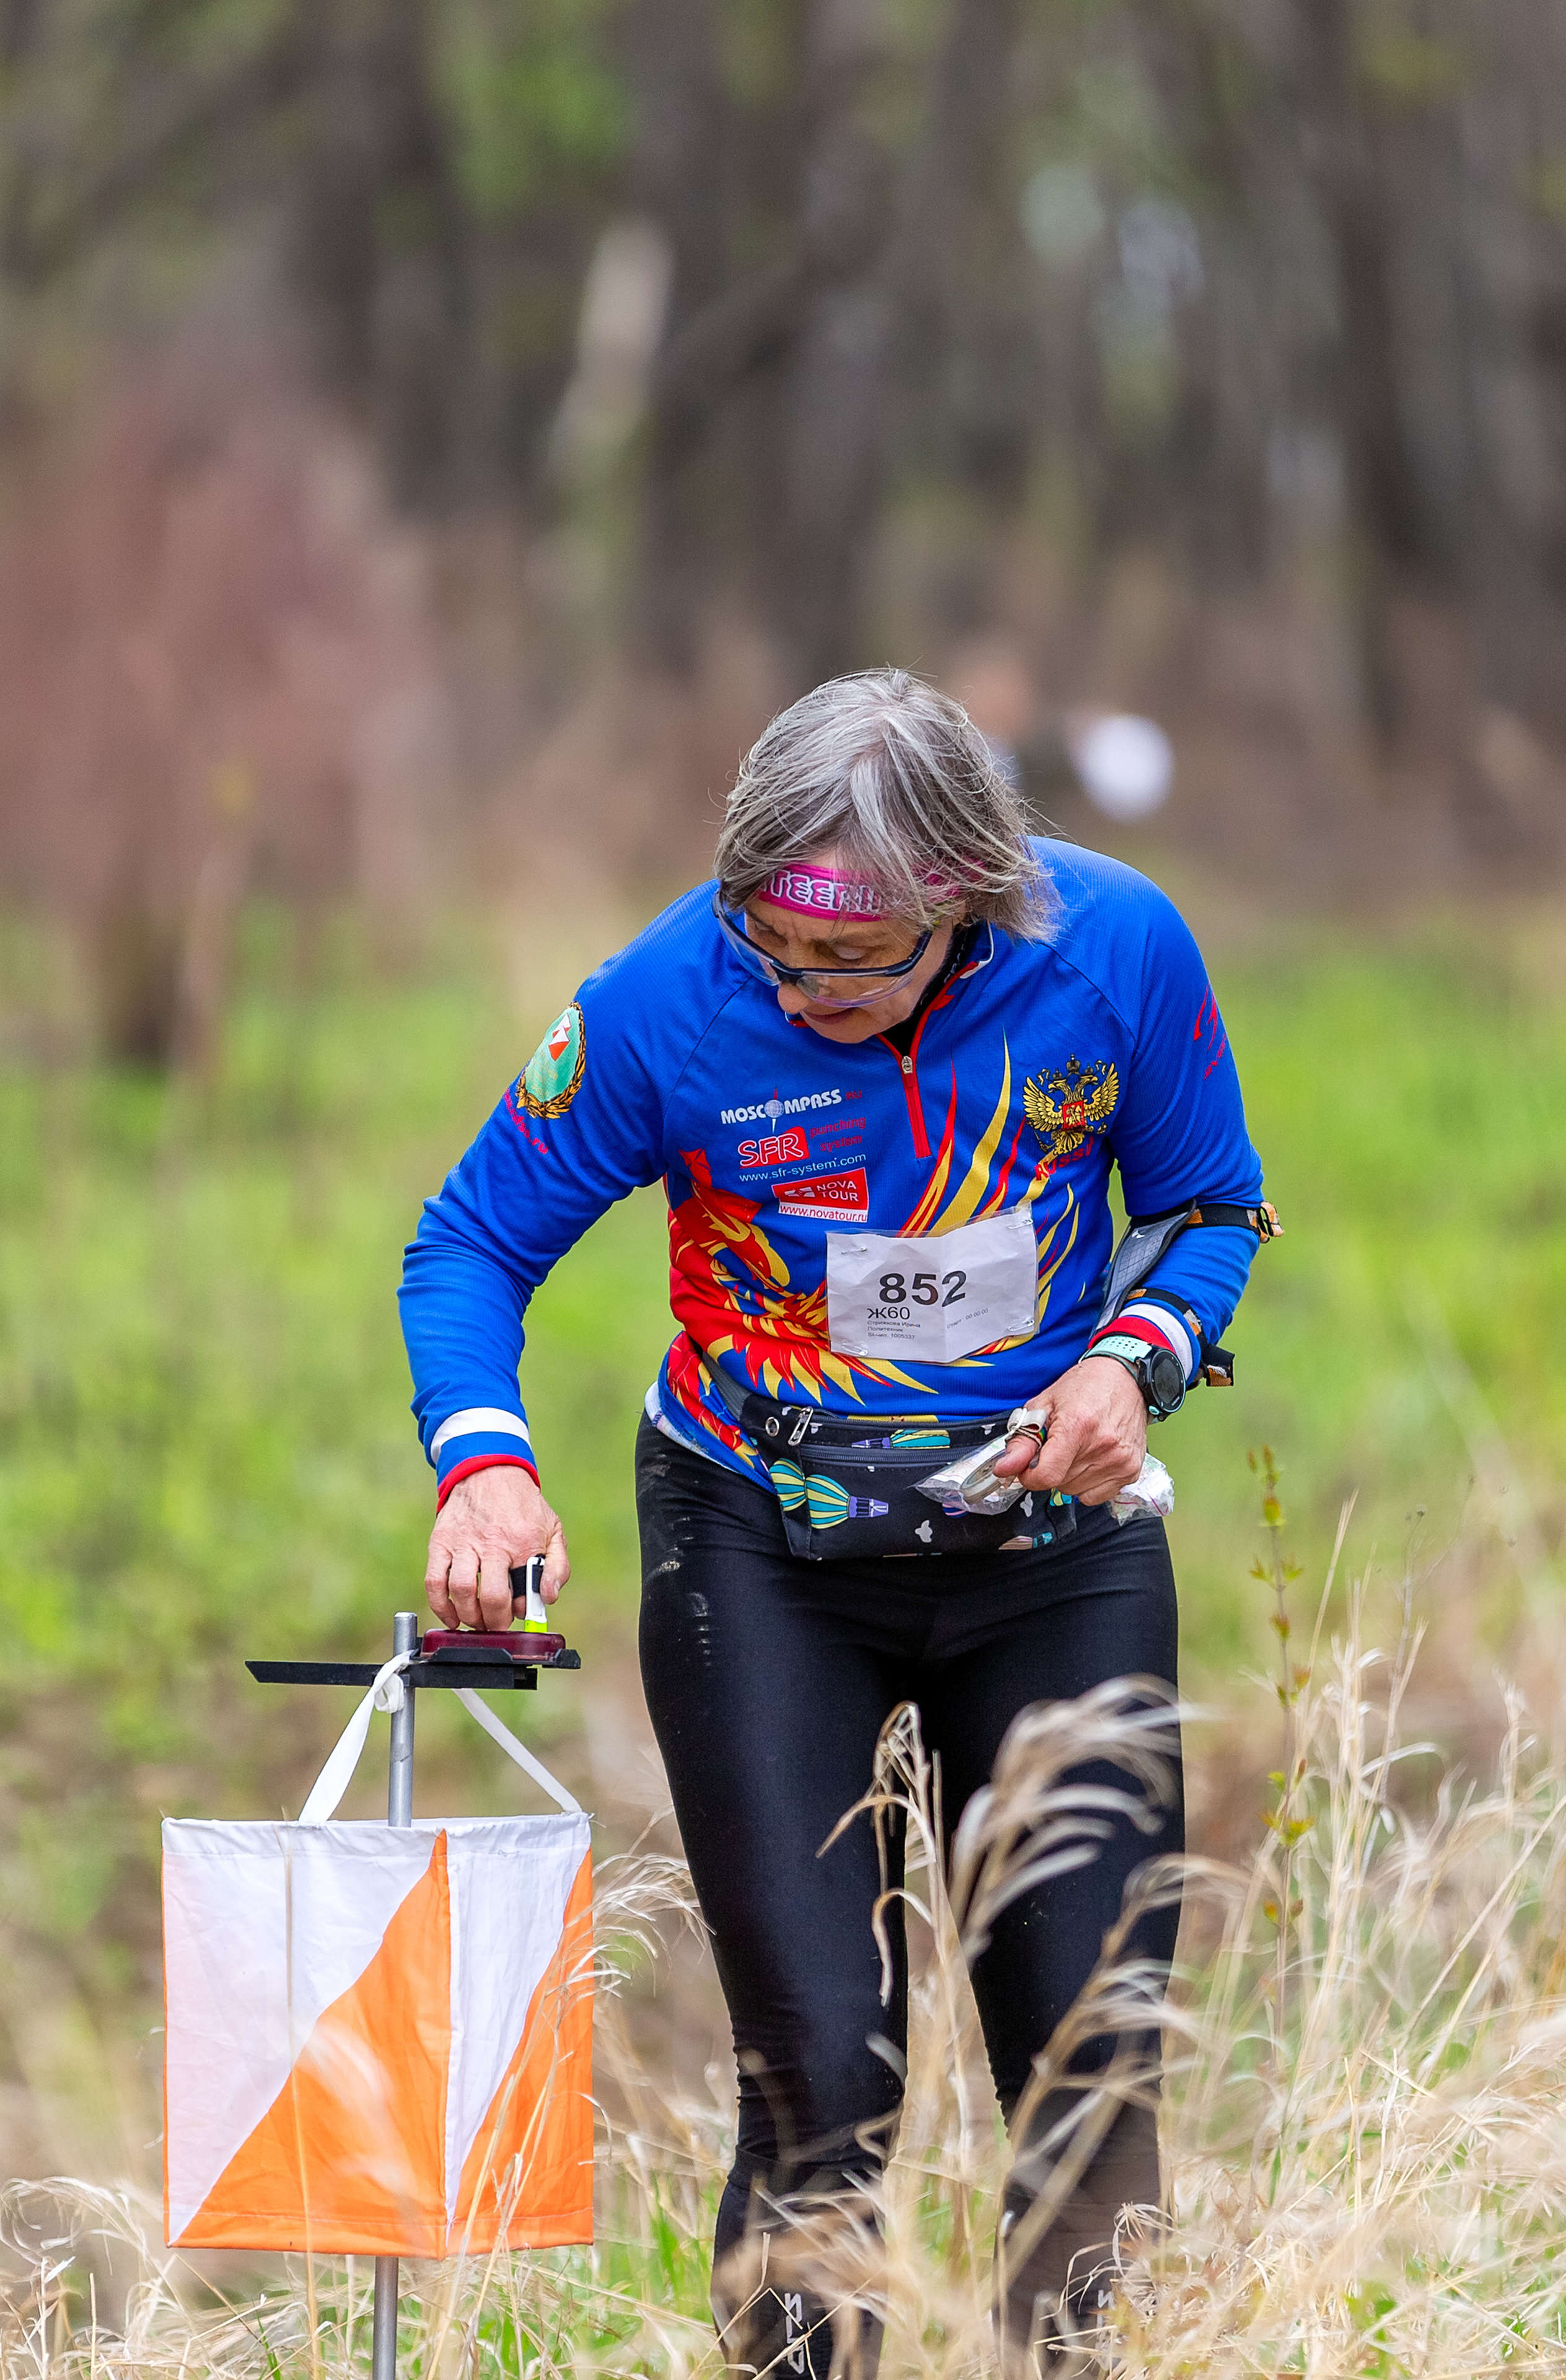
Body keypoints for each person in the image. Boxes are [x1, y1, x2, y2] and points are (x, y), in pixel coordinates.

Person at [399, 669, 1272, 2374]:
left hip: (1050, 1550)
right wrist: (484, 1461)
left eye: (857, 961)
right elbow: (471, 1240)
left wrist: (1136, 1362)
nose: (807, 991)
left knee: (1094, 2068)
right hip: (759, 1543)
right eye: (778, 950)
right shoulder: (671, 998)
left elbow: (1213, 1206)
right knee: (822, 2078)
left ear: (972, 903)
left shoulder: (1115, 950)